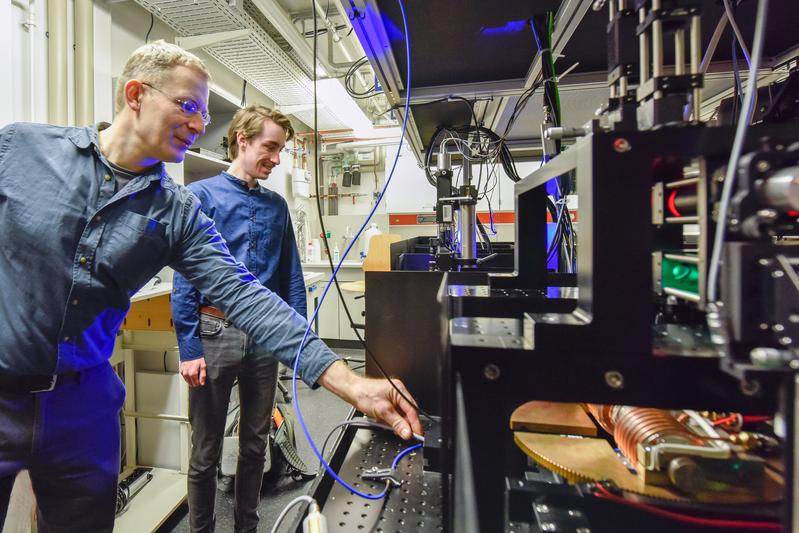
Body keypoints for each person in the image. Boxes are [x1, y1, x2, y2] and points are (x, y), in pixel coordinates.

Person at [0, 40, 422, 532]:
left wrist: (349, 383)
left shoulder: (177, 212)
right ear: (135, 94)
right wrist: (191, 345)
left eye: (203, 111)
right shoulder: (22, 150)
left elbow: (246, 295)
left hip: (83, 407)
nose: (201, 124)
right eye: (188, 106)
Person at [171, 105, 308, 532]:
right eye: (270, 147)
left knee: (255, 444)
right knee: (206, 450)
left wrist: (298, 338)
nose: (276, 158)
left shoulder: (277, 205)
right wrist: (190, 347)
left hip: (265, 339)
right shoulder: (201, 196)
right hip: (214, 335)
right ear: (242, 140)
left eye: (281, 149)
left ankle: (246, 527)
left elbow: (291, 274)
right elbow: (185, 278)